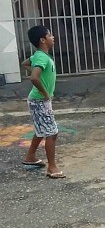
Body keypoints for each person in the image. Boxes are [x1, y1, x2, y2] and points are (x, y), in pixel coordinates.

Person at [20, 25, 65, 178]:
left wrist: (35, 75)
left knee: (41, 130)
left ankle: (30, 157)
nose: (53, 37)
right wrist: (46, 93)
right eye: (50, 35)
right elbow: (34, 77)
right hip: (40, 101)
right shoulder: (41, 57)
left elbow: (25, 64)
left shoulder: (40, 56)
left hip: (37, 100)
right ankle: (52, 167)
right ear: (42, 40)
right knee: (52, 133)